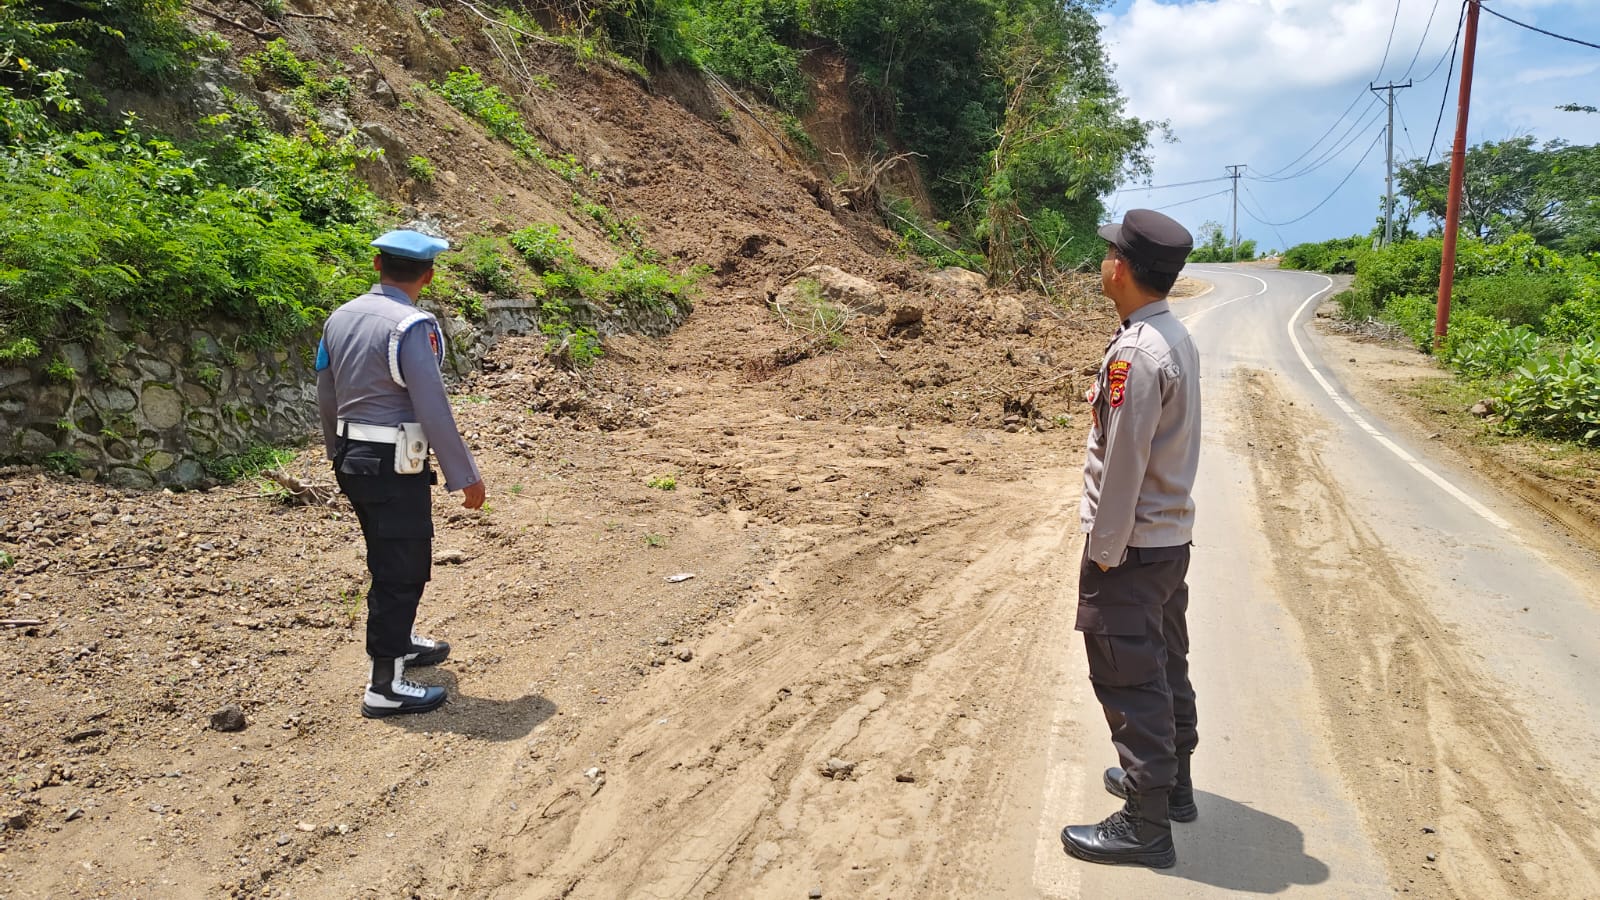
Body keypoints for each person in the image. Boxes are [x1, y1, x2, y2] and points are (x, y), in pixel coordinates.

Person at [1060, 209, 1199, 869]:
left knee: (1128, 673)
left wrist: (1106, 555)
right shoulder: (1169, 336)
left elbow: (1122, 467)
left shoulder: (1138, 354)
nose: (1104, 260)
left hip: (1134, 546)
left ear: (1122, 266)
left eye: (1108, 251)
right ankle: (1172, 790)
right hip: (1167, 540)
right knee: (1165, 662)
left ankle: (1146, 823)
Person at [316, 229, 487, 718]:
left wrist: (336, 450)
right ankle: (384, 686)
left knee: (385, 554)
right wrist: (464, 474)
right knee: (403, 566)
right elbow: (431, 405)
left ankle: (401, 642)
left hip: (353, 457)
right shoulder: (412, 326)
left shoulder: (339, 317)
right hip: (394, 462)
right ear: (428, 276)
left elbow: (326, 391)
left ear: (377, 266)